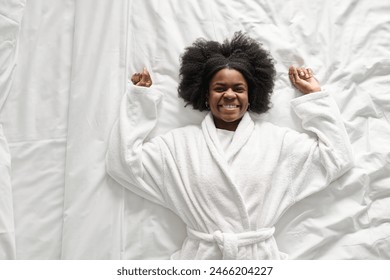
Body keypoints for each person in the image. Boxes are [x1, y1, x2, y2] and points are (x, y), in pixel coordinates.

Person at [106, 32, 354, 259]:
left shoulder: (277, 143)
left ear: (250, 97)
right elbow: (123, 163)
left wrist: (314, 99)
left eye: (239, 88)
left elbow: (338, 157)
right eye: (219, 88)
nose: (229, 95)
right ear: (206, 94)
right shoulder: (178, 146)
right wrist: (139, 104)